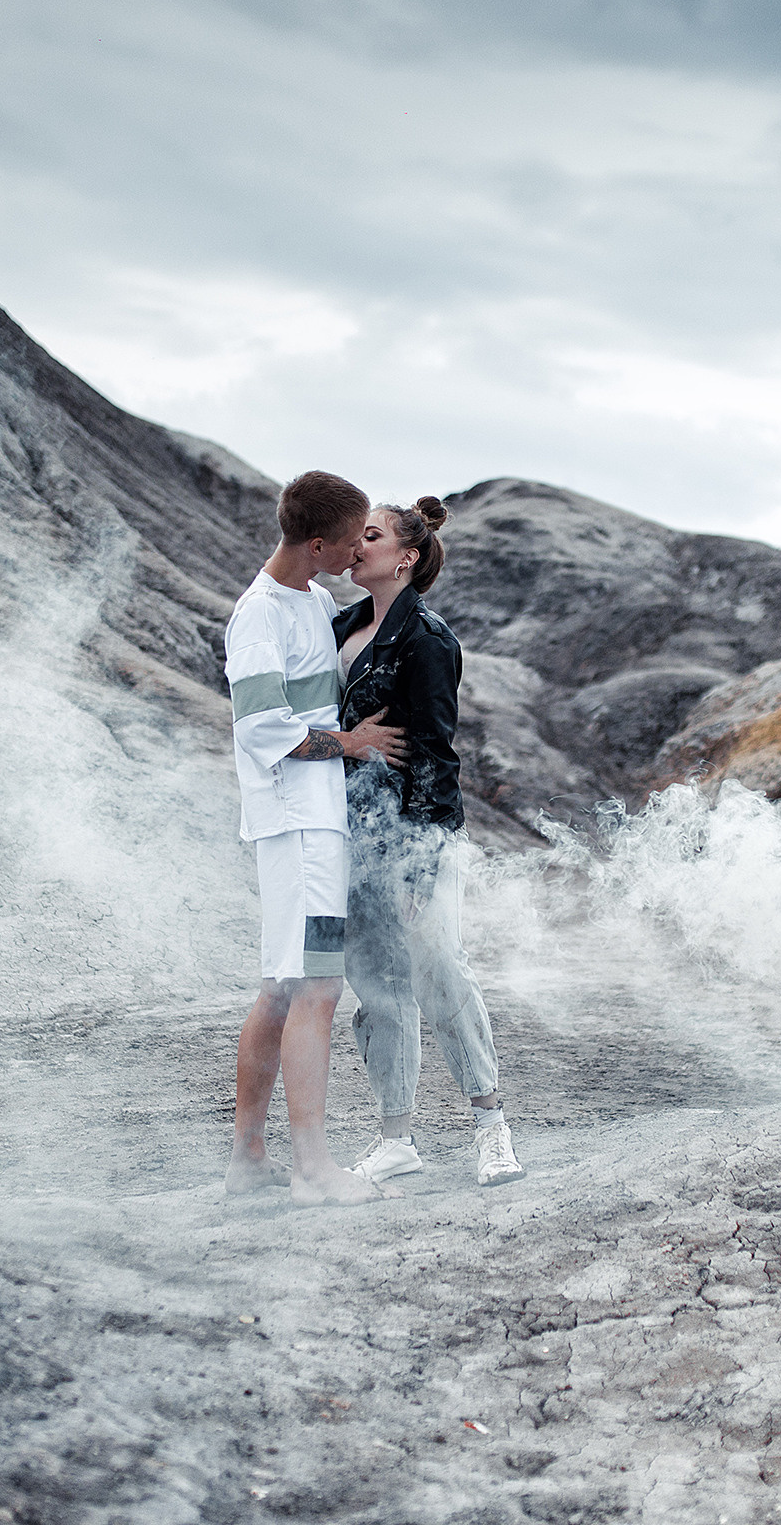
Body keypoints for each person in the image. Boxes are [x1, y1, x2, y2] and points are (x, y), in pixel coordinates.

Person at [224, 471, 409, 1206]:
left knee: (282, 987)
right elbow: (263, 729)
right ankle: (311, 1170)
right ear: (317, 543)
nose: (358, 548)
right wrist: (355, 743)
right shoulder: (259, 613)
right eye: (353, 537)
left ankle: (246, 1160)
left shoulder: (311, 598)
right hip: (299, 825)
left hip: (314, 823)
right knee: (318, 988)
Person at [333, 497, 525, 1189]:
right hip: (353, 835)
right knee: (377, 987)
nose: (358, 546)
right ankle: (395, 1140)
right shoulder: (341, 627)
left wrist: (423, 857)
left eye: (372, 536)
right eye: (356, 535)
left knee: (440, 967)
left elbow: (438, 755)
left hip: (416, 836)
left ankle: (490, 1127)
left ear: (406, 556)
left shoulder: (428, 639)